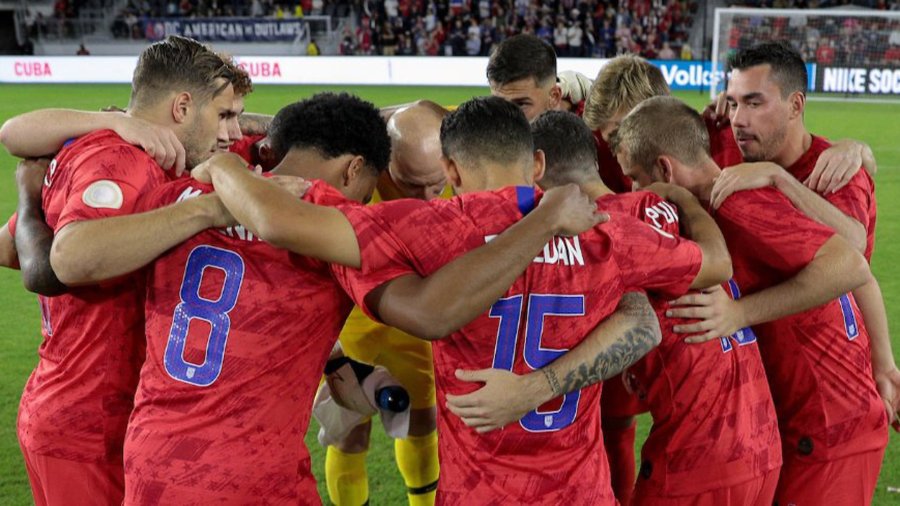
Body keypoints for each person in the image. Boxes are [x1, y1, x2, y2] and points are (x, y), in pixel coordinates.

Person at [199, 96, 734, 504]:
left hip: (480, 490)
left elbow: (275, 217)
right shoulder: (609, 232)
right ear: (538, 163)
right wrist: (685, 199)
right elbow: (716, 264)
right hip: (579, 490)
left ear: (451, 172)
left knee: (363, 427)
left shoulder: (425, 227)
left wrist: (228, 163)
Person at [449, 110, 781, 506]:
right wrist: (686, 200)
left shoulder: (604, 232)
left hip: (695, 459)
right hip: (760, 437)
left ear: (536, 170)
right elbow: (714, 262)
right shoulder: (652, 204)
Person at [616, 96, 885, 505]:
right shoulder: (713, 196)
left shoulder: (736, 202)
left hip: (830, 424)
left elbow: (852, 267)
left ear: (665, 169)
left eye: (636, 178)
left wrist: (739, 314)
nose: (636, 192)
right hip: (797, 425)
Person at [5, 36, 236, 506]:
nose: (231, 134)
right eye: (225, 116)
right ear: (183, 106)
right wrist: (204, 212)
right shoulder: (120, 161)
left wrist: (30, 205)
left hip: (71, 409)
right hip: (91, 426)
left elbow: (11, 247)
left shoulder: (90, 150)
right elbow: (68, 260)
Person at [691, 42, 896, 504]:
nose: (739, 117)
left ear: (796, 105)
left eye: (755, 102)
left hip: (829, 414)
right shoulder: (730, 144)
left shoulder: (834, 169)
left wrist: (778, 178)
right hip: (772, 412)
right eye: (734, 101)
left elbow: (854, 258)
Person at [326, 101, 448, 506]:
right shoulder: (352, 173)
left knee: (423, 421)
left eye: (437, 183)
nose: (428, 198)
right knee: (349, 427)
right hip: (355, 318)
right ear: (385, 159)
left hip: (417, 315)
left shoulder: (456, 135)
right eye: (411, 184)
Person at [486, 34, 590, 120]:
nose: (505, 120)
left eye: (521, 105)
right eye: (499, 104)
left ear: (554, 97)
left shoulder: (596, 135)